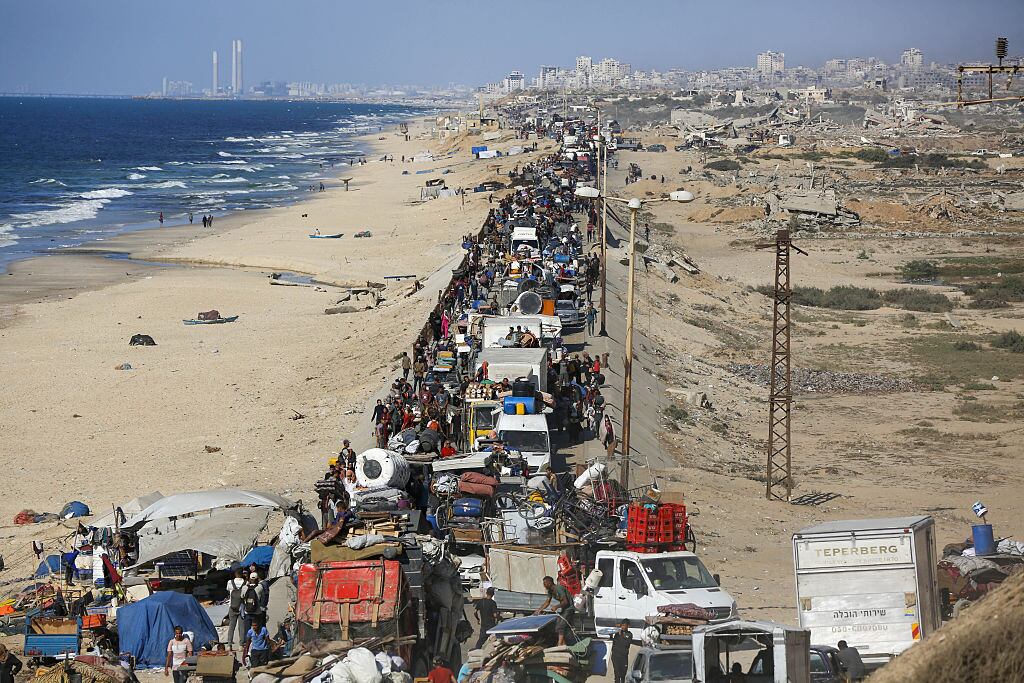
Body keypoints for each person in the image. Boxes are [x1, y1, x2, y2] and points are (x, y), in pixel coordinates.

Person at [534, 576, 573, 646]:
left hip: (569, 608)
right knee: (557, 626)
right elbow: (547, 602)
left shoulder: (559, 588)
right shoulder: (550, 591)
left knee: (561, 626)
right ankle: (564, 644)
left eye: (545, 583)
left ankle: (559, 643)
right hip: (564, 609)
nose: (544, 585)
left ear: (549, 583)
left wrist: (556, 606)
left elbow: (565, 602)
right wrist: (539, 610)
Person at [226, 568, 247, 650]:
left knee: (231, 626)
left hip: (232, 606)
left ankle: (229, 645)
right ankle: (241, 645)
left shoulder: (230, 582)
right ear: (242, 574)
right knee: (241, 627)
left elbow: (228, 590)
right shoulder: (245, 583)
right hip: (241, 607)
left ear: (235, 574)